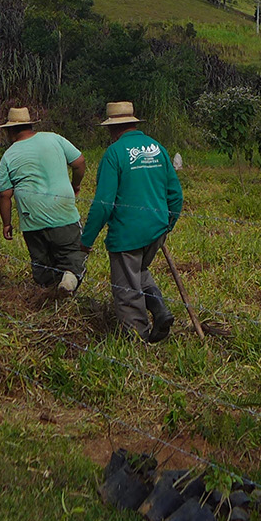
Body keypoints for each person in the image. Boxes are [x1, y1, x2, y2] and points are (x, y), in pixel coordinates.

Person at [78, 101, 182, 342]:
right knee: (138, 270)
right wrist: (167, 225)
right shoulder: (158, 148)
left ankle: (138, 339)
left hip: (127, 235)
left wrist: (87, 240)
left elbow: (103, 204)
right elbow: (175, 195)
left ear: (113, 129)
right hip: (156, 230)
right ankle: (159, 309)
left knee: (126, 290)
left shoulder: (114, 154)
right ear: (133, 123)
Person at [0, 106, 87, 294]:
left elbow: (5, 194)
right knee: (73, 254)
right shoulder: (54, 138)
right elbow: (79, 163)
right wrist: (75, 185)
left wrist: (6, 223)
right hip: (63, 214)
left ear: (11, 130)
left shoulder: (8, 156)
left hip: (32, 219)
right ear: (29, 125)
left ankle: (48, 295)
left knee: (42, 263)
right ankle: (69, 278)